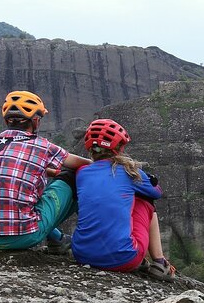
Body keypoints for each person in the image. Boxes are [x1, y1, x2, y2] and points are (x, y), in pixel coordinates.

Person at [0, 90, 91, 253]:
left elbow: (11, 167)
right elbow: (81, 163)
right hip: (24, 237)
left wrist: (48, 172)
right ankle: (87, 240)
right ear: (35, 120)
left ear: (7, 121)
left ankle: (58, 239)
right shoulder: (41, 145)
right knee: (71, 177)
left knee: (25, 198)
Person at [72, 118, 175, 281]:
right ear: (119, 147)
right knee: (146, 201)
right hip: (123, 259)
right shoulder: (129, 171)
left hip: (82, 255)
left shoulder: (82, 172)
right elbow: (156, 193)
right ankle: (160, 262)